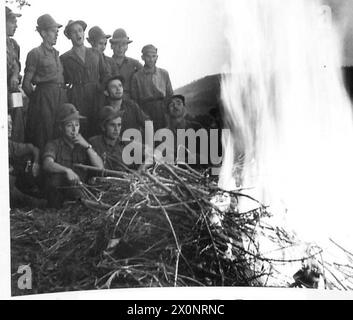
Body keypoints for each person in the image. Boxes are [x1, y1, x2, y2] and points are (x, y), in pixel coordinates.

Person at [42, 103, 104, 208]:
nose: (74, 130)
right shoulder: (54, 145)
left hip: (81, 192)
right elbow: (47, 164)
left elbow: (100, 167)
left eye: (77, 125)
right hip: (60, 196)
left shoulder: (83, 145)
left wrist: (88, 146)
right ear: (61, 128)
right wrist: (66, 170)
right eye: (70, 126)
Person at [22, 14, 67, 150]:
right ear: (43, 33)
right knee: (43, 135)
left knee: (59, 132)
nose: (56, 35)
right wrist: (38, 100)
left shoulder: (56, 54)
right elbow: (26, 84)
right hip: (44, 98)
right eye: (53, 31)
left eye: (57, 32)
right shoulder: (35, 53)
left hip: (60, 96)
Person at [61, 20, 109, 138]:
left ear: (83, 33)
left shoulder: (95, 53)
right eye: (73, 32)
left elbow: (105, 75)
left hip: (96, 96)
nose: (78, 35)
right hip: (77, 97)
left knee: (98, 127)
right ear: (69, 36)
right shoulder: (65, 58)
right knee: (80, 128)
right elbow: (63, 81)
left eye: (80, 31)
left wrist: (101, 89)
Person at [131, 44, 173, 131]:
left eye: (153, 56)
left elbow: (170, 94)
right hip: (146, 111)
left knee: (164, 136)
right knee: (148, 138)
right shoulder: (137, 76)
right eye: (148, 56)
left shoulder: (163, 73)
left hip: (162, 110)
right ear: (143, 57)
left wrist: (168, 113)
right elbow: (135, 99)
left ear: (157, 57)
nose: (151, 59)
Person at [8, 115, 46, 208]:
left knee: (27, 159)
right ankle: (27, 201)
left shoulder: (8, 144)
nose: (9, 127)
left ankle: (29, 193)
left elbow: (33, 149)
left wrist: (36, 163)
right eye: (5, 123)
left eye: (10, 123)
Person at [6, 6, 24, 142]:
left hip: (13, 90)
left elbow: (17, 64)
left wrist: (14, 74)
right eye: (12, 21)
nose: (16, 25)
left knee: (17, 118)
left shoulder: (13, 44)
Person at [108, 29, 142, 99]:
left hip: (131, 102)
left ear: (127, 47)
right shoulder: (105, 63)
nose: (120, 48)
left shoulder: (135, 64)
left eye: (123, 44)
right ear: (112, 46)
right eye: (117, 44)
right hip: (111, 101)